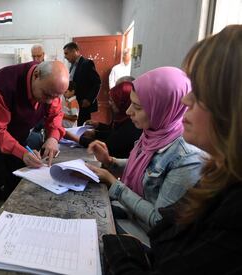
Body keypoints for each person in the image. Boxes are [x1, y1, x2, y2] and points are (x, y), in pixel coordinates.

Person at [101, 24, 242, 275]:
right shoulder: (218, 175)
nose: (186, 100)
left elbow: (160, 231)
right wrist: (112, 162)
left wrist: (114, 184)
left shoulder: (193, 162)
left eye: (199, 93)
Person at [86, 66, 204, 230]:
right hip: (130, 215)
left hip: (145, 234)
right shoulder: (154, 132)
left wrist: (113, 183)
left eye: (138, 107)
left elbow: (159, 220)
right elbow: (147, 168)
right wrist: (110, 161)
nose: (128, 111)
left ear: (164, 107)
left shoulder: (187, 158)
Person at [0, 61, 68, 226]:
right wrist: (23, 153)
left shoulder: (51, 87)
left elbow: (56, 114)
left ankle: (12, 221)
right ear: (36, 75)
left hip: (18, 132)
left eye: (56, 96)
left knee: (16, 174)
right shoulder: (2, 85)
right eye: (47, 95)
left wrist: (53, 137)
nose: (49, 101)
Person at [67, 78, 141, 158]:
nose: (109, 103)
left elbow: (109, 145)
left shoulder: (133, 123)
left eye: (113, 100)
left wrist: (75, 138)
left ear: (122, 101)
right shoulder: (122, 118)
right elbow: (114, 133)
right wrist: (96, 131)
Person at [63, 42, 101, 126]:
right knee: (74, 125)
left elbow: (97, 82)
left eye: (66, 53)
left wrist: (89, 99)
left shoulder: (87, 63)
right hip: (74, 102)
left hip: (83, 103)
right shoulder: (72, 66)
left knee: (82, 128)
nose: (65, 56)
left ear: (74, 51)